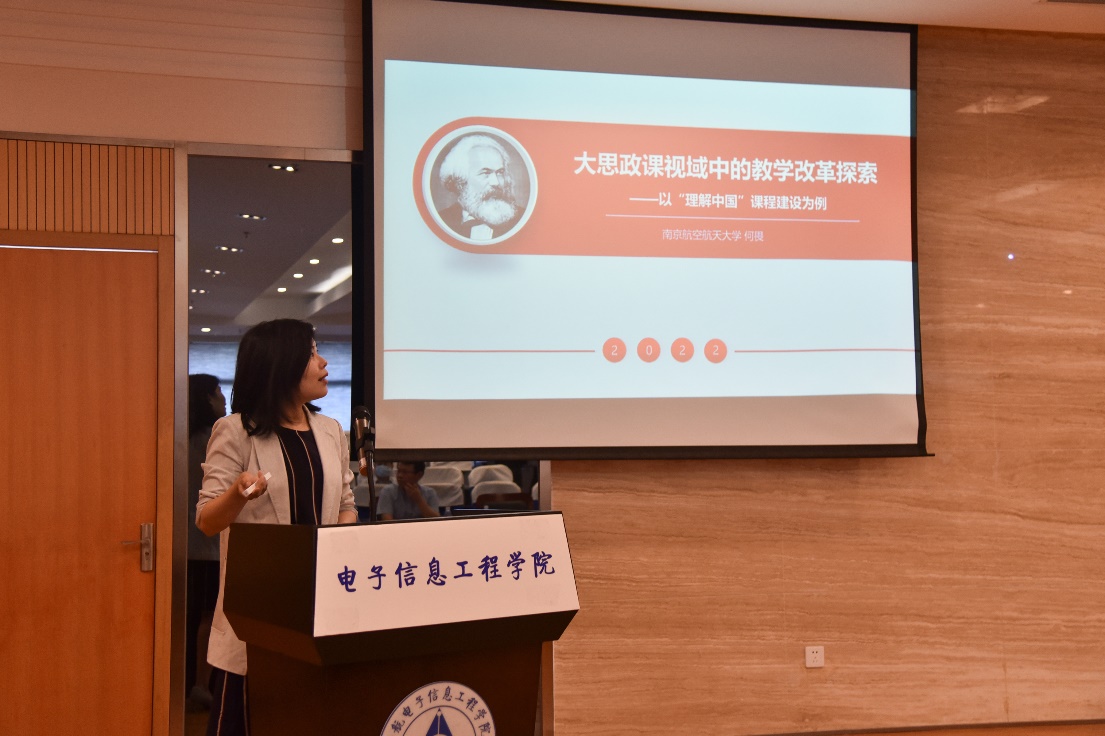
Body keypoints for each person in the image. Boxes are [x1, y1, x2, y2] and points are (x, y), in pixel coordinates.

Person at [196, 319, 357, 736]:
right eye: (312, 353)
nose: (324, 362)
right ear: (280, 363)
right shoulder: (235, 430)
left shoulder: (330, 430)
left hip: (319, 603)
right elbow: (207, 520)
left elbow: (346, 507)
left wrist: (335, 549)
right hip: (257, 612)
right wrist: (237, 493)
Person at [186, 373, 226, 711]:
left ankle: (189, 683)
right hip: (208, 546)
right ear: (207, 398)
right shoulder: (212, 440)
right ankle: (201, 683)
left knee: (190, 617)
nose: (224, 398)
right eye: (219, 392)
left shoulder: (181, 439)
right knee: (208, 616)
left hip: (184, 545)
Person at [437, 133, 523, 241]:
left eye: (500, 172)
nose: (496, 182)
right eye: (485, 173)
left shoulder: (522, 219)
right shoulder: (442, 220)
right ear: (460, 181)